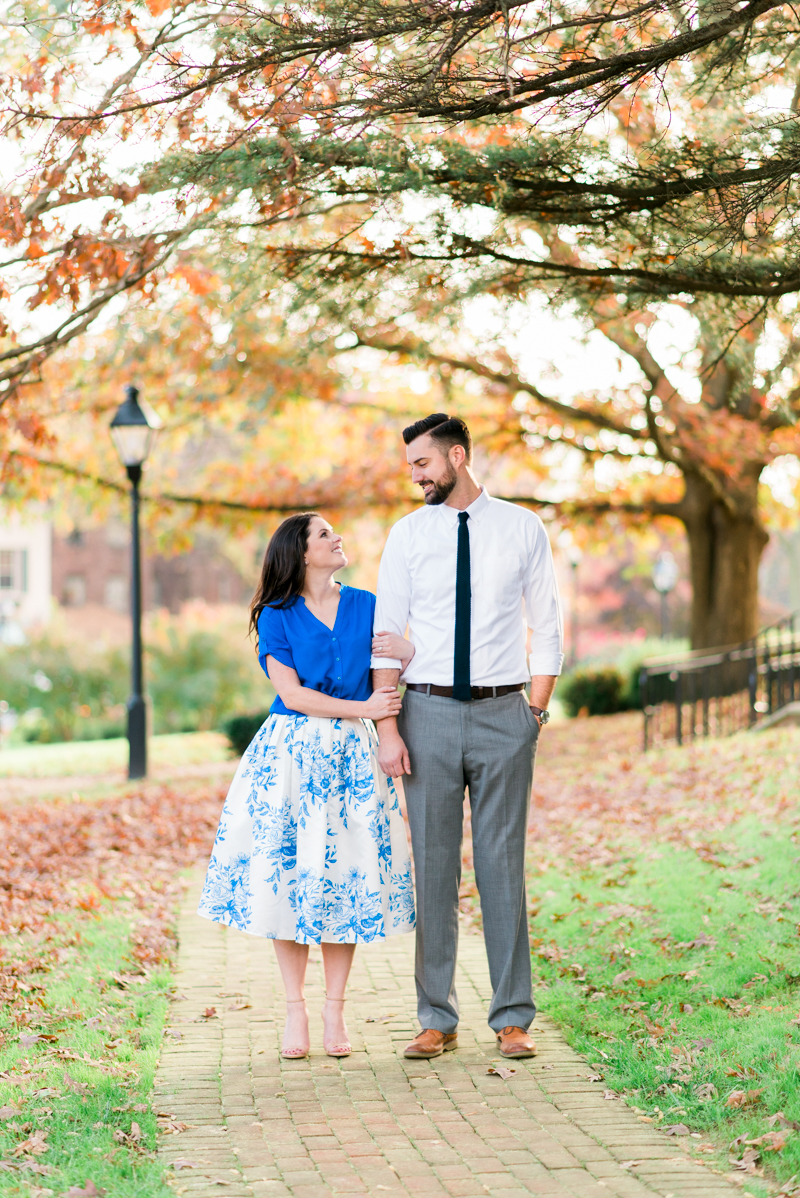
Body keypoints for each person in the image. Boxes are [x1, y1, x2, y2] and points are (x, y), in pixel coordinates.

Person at [370, 414, 563, 1060]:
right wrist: (389, 728)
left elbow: (549, 624)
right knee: (432, 869)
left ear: (457, 455)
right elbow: (386, 636)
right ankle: (436, 1016)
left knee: (502, 864)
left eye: (423, 464)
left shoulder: (521, 528)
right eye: (411, 468)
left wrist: (534, 712)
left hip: (503, 713)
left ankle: (512, 1017)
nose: (416, 476)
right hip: (425, 715)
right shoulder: (407, 536)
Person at [198, 512, 416, 1060]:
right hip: (292, 757)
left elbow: (400, 659)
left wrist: (409, 653)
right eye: (323, 534)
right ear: (300, 553)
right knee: (290, 880)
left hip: (351, 759)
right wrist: (363, 707)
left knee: (342, 879)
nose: (336, 537)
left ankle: (334, 1013)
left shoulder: (367, 604)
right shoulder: (276, 615)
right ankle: (294, 1012)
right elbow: (291, 695)